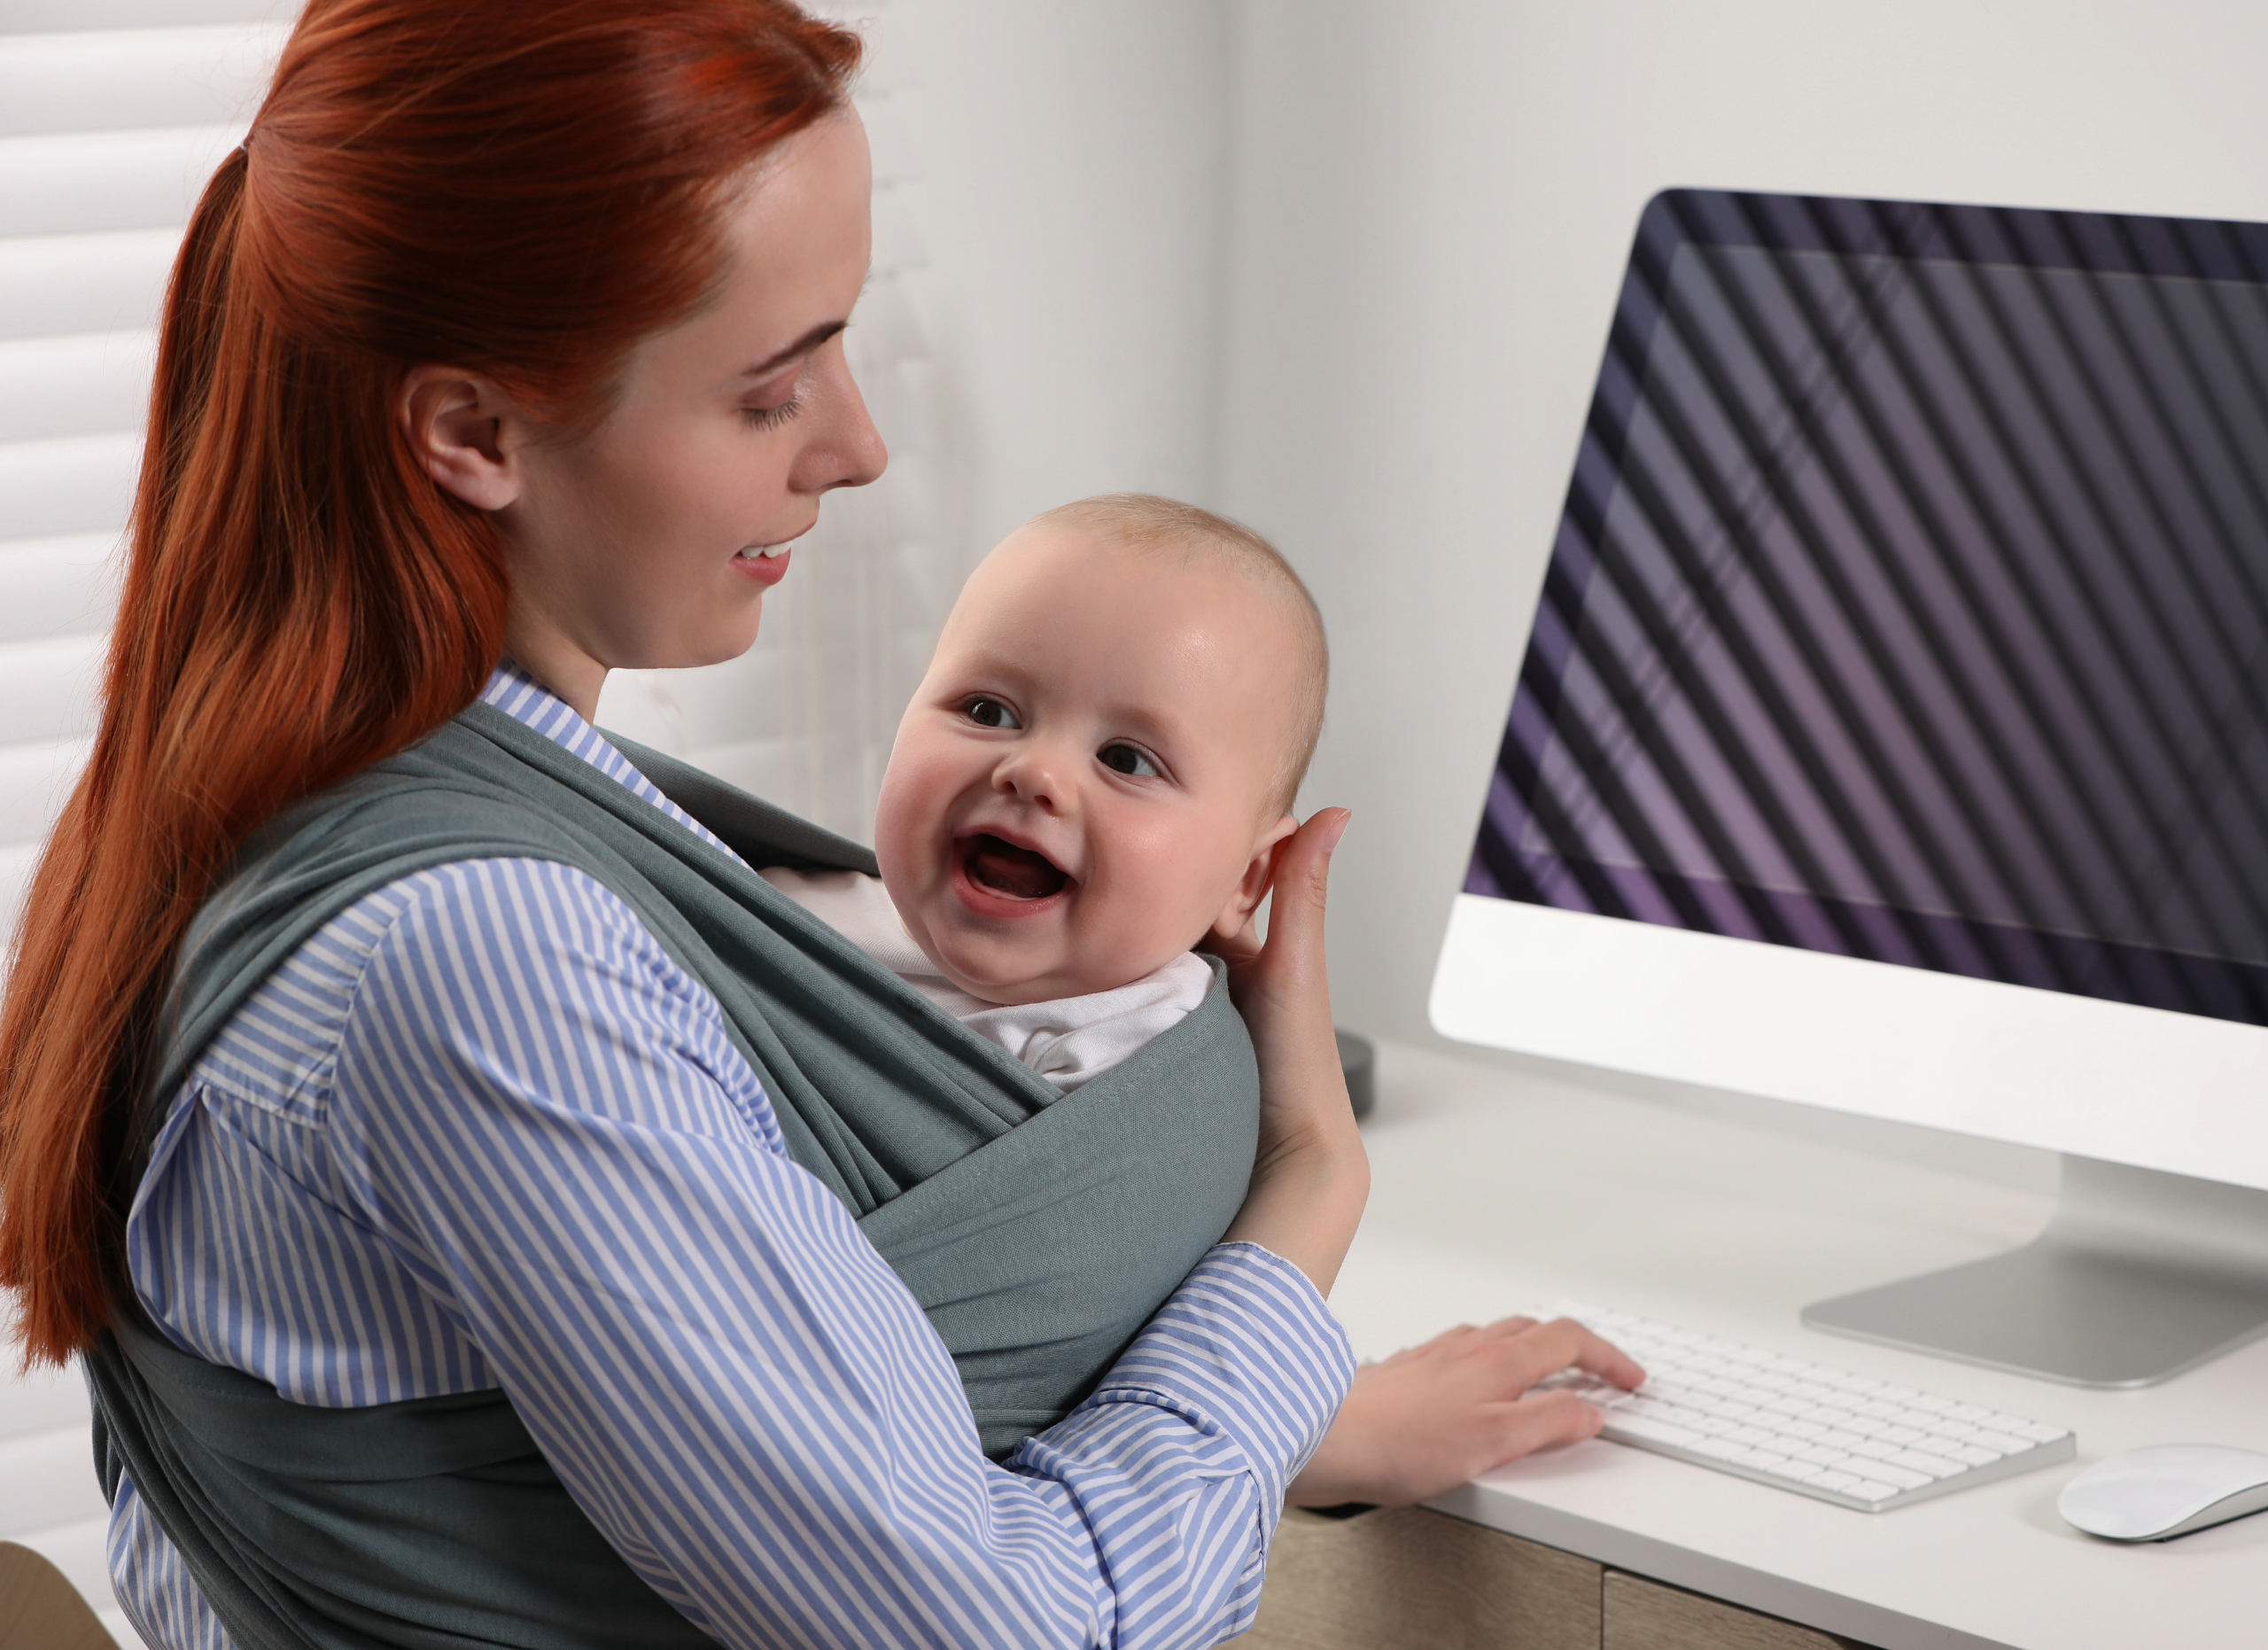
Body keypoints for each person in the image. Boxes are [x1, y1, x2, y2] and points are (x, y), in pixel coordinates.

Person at [0, 4, 1635, 1646]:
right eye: (772, 393)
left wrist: (1290, 1425)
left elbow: (668, 1430)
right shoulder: (480, 951)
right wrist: (1299, 1216)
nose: (857, 449)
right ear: (475, 434)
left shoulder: (269, 811)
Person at [758, 493, 1328, 1092]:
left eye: (1125, 760)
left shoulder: (1141, 1043)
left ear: (1247, 877)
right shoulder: (782, 906)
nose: (1035, 772)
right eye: (987, 711)